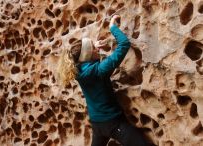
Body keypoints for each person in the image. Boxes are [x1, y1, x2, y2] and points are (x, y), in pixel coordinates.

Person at [57, 15, 148, 146]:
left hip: (96, 123)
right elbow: (124, 44)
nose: (96, 48)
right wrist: (112, 27)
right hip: (113, 123)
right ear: (88, 55)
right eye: (93, 48)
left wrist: (94, 48)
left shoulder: (78, 71)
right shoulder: (100, 70)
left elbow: (85, 58)